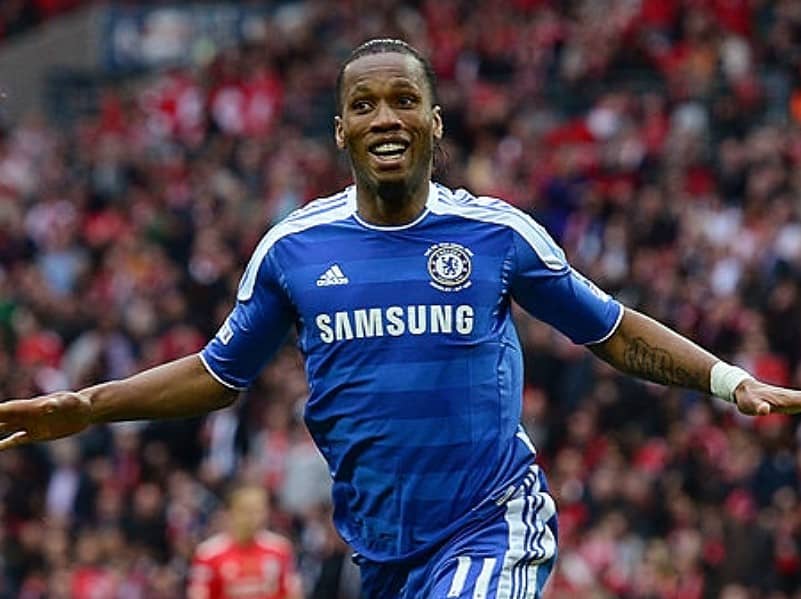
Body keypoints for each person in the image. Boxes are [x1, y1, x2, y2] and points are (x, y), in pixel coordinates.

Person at [0, 38, 799, 598]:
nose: (386, 115)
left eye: (404, 99)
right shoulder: (293, 249)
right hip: (379, 550)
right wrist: (86, 406)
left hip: (489, 522)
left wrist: (728, 380)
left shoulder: (494, 235)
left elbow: (613, 328)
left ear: (434, 122)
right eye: (364, 103)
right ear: (340, 128)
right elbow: (217, 375)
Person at [187, 484, 302, 599]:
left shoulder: (280, 548)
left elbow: (292, 593)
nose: (255, 517)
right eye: (247, 510)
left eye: (260, 510)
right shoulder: (208, 554)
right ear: (230, 513)